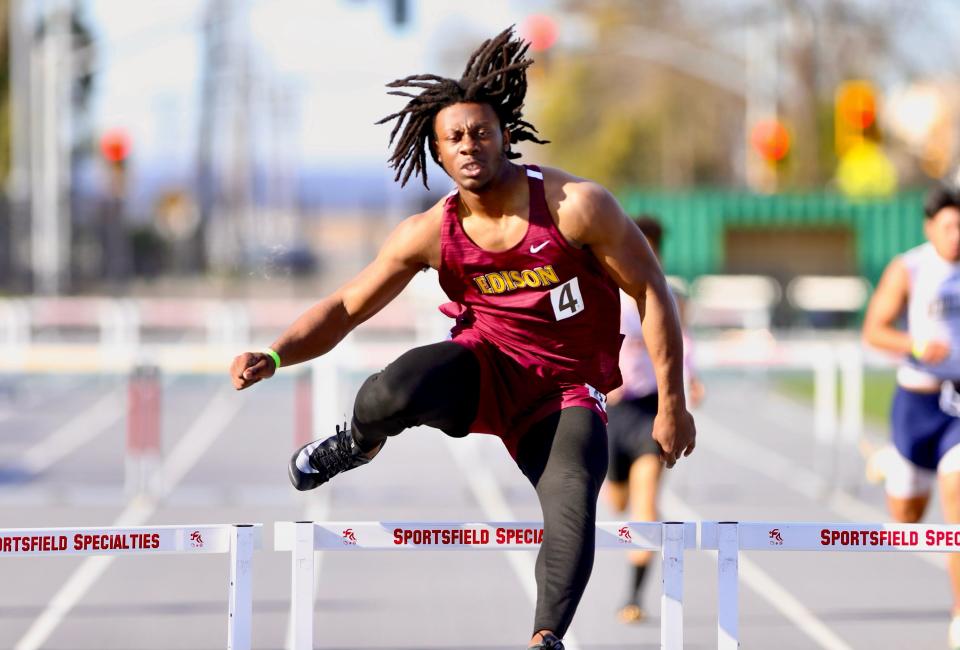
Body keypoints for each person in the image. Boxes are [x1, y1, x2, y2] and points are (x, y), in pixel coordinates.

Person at [230, 28, 696, 650]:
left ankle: (545, 637)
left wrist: (673, 404)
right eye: (454, 138)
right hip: (482, 370)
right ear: (437, 153)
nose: (469, 145)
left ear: (506, 135)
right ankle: (359, 443)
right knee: (391, 389)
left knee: (572, 505)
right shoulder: (429, 232)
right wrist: (278, 353)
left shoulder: (575, 207)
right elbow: (346, 306)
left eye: (480, 132)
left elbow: (652, 294)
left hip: (561, 394)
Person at [862, 185, 960, 649]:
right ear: (931, 227)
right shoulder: (910, 268)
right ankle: (891, 465)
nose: (958, 236)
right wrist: (917, 346)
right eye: (950, 227)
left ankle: (959, 616)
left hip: (957, 406)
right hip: (916, 403)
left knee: (957, 505)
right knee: (906, 522)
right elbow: (874, 330)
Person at [603, 216, 704, 624]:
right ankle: (618, 487)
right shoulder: (605, 290)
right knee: (618, 500)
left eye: (650, 247)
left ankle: (633, 596)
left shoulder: (668, 296)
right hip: (612, 413)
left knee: (645, 505)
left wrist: (690, 381)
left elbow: (683, 342)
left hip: (651, 411)